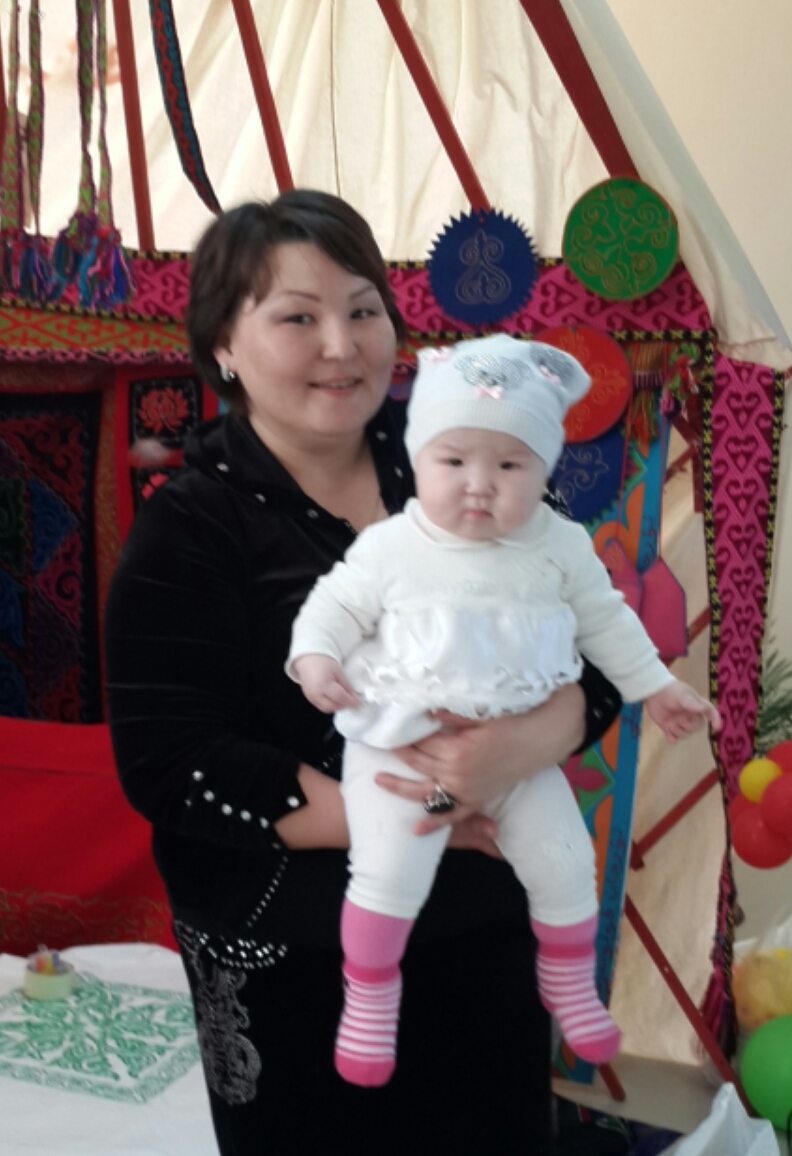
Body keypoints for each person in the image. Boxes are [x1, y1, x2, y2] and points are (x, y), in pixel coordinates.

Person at [105, 191, 629, 1156]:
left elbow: (596, 642)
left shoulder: (473, 457)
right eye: (298, 317)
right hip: (293, 950)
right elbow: (169, 760)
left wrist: (529, 739)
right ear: (223, 344)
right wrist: (424, 808)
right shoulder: (193, 523)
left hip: (481, 920)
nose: (341, 347)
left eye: (362, 309)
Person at [288, 332, 722, 1086]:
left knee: (565, 861)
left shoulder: (560, 544)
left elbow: (608, 622)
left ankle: (568, 979)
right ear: (418, 457)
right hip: (398, 749)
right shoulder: (391, 546)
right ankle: (370, 995)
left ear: (544, 467)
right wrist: (315, 658)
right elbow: (334, 605)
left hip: (517, 756)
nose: (479, 485)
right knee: (389, 869)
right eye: (454, 461)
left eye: (511, 465)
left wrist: (657, 687)